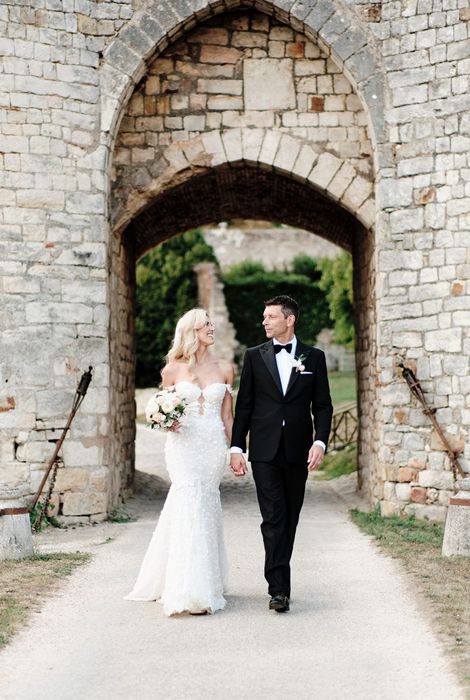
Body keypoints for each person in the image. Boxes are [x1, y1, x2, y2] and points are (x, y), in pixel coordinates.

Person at [125, 308, 234, 616]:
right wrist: (165, 421)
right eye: (206, 325)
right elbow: (162, 408)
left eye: (212, 324)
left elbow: (227, 415)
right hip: (183, 446)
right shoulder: (172, 370)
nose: (212, 328)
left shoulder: (225, 368)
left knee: (206, 504)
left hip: (212, 445)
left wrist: (238, 450)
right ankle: (189, 589)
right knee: (188, 501)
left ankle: (206, 580)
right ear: (191, 331)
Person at [230, 295, 333, 613]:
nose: (264, 321)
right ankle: (279, 589)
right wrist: (237, 447)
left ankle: (280, 581)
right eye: (264, 316)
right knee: (273, 517)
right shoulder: (254, 356)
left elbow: (324, 405)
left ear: (290, 320)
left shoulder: (313, 357)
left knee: (290, 517)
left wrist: (320, 442)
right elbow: (244, 405)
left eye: (271, 316)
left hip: (298, 450)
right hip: (263, 451)